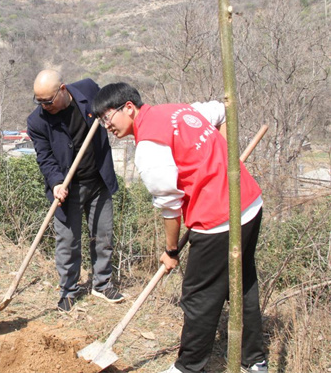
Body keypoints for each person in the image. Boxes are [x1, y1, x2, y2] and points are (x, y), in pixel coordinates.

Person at [92, 82, 268, 373]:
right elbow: (221, 111)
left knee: (199, 297)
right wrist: (226, 162)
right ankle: (255, 360)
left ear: (128, 108)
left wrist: (171, 251)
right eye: (101, 121)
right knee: (242, 284)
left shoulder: (149, 147)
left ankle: (188, 367)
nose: (106, 125)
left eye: (107, 117)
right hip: (249, 204)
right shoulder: (179, 110)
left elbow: (170, 208)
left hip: (217, 221)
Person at [26, 69, 124, 312]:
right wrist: (56, 183)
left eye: (48, 101)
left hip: (98, 180)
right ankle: (68, 291)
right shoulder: (37, 121)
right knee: (67, 243)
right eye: (39, 101)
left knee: (103, 236)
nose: (44, 106)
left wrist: (108, 118)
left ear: (62, 89)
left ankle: (102, 284)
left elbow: (111, 107)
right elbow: (45, 157)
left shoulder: (88, 90)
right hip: (68, 189)